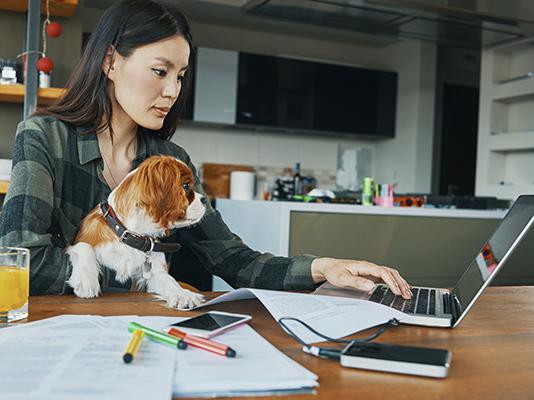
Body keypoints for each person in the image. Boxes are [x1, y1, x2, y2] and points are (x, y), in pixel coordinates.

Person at [0, 0, 412, 300]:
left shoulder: (172, 162)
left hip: (147, 329)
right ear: (110, 62)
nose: (172, 91)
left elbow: (233, 259)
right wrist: (143, 277)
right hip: (60, 334)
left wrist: (322, 268)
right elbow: (21, 262)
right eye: (160, 71)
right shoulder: (44, 139)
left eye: (180, 76)